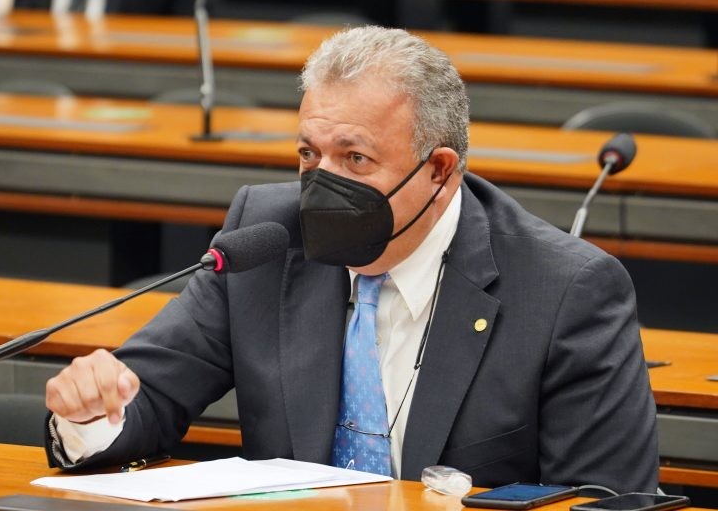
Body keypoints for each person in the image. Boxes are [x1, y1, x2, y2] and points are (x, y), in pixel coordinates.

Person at [44, 26, 658, 492]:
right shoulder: (266, 237)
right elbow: (147, 396)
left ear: (440, 172)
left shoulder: (564, 290)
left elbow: (602, 501)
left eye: (356, 159)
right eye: (310, 155)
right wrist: (92, 412)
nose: (322, 184)